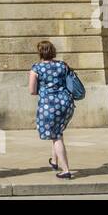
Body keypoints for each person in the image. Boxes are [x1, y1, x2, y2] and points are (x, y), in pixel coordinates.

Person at [29, 40, 75, 180]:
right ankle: (54, 162)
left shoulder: (36, 68)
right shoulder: (62, 65)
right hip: (66, 103)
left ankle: (66, 170)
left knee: (56, 136)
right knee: (57, 132)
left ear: (40, 52)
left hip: (49, 105)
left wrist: (45, 91)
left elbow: (32, 91)